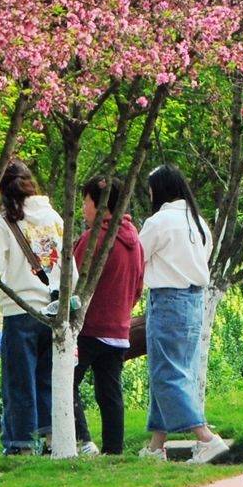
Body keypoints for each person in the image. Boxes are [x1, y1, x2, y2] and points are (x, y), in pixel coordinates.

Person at [137, 165, 229, 464]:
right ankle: (155, 446)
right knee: (177, 371)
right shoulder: (198, 222)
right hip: (193, 301)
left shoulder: (159, 221)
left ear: (159, 190)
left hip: (167, 300)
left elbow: (139, 257)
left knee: (166, 374)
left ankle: (206, 438)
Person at [0, 160, 64, 455]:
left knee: (19, 381)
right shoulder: (53, 217)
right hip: (53, 311)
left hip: (20, 310)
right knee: (47, 379)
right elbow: (71, 268)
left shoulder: (1, 223)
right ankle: (54, 441)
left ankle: (22, 445)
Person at [72, 173, 143, 456]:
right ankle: (114, 450)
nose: (83, 209)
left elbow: (75, 282)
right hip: (118, 330)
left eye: (86, 202)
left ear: (100, 205)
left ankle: (83, 441)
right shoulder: (134, 240)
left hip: (88, 328)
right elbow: (138, 286)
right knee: (109, 393)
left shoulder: (93, 240)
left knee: (63, 383)